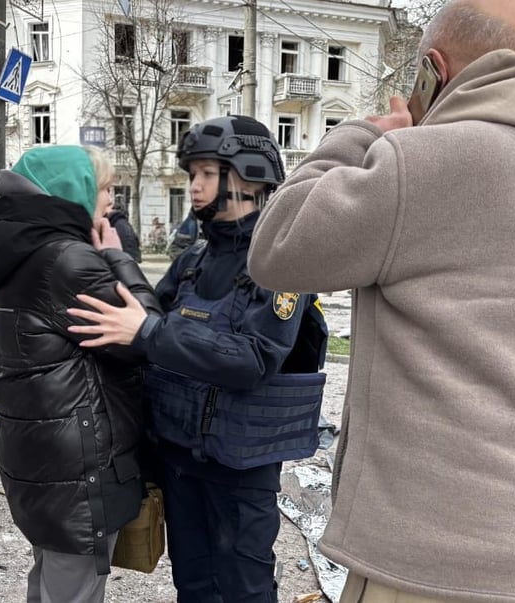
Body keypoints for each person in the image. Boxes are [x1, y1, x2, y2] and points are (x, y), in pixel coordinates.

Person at [246, 0, 515, 600]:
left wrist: (367, 135)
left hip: (433, 564)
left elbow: (278, 249)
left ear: (432, 73)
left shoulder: (415, 163)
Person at [65, 116, 329, 603]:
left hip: (241, 468)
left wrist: (148, 332)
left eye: (207, 172)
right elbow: (143, 321)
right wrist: (113, 261)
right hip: (182, 459)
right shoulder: (195, 260)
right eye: (192, 174)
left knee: (244, 590)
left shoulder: (281, 260)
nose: (195, 186)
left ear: (248, 176)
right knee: (193, 585)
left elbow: (254, 359)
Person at [0, 145, 161, 602]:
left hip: (41, 451)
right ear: (73, 191)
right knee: (73, 589)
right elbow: (145, 335)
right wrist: (119, 256)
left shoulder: (23, 248)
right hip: (78, 463)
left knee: (51, 577)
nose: (112, 200)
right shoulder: (68, 260)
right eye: (104, 188)